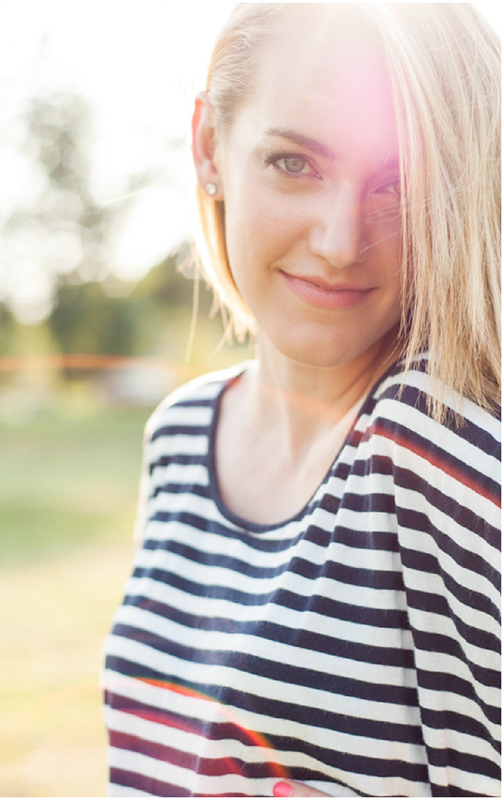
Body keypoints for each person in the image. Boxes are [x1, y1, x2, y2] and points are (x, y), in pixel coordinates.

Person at [103, 3, 501, 796]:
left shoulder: (448, 450)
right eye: (294, 163)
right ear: (209, 146)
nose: (339, 240)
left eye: (400, 183)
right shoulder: (180, 435)